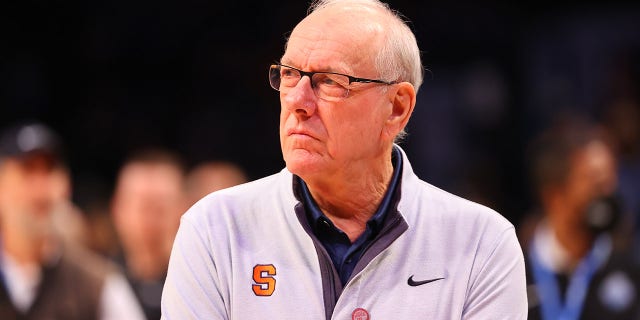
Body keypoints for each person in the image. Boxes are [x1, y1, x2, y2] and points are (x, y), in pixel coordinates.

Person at [161, 0, 527, 318]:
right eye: (289, 75)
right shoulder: (214, 230)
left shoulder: (482, 245)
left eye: (329, 81)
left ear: (397, 107)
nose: (297, 102)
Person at [0, 121, 145, 320]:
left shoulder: (97, 284)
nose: (40, 190)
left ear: (66, 186)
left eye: (49, 172)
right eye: (28, 172)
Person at [522, 118, 640, 319]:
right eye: (595, 183)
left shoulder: (630, 268)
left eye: (610, 182)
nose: (608, 195)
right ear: (555, 196)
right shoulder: (514, 272)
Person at [111, 148, 188, 320]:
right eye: (142, 206)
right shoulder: (97, 285)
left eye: (161, 206)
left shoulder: (201, 283)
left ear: (184, 209)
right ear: (117, 208)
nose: (151, 218)